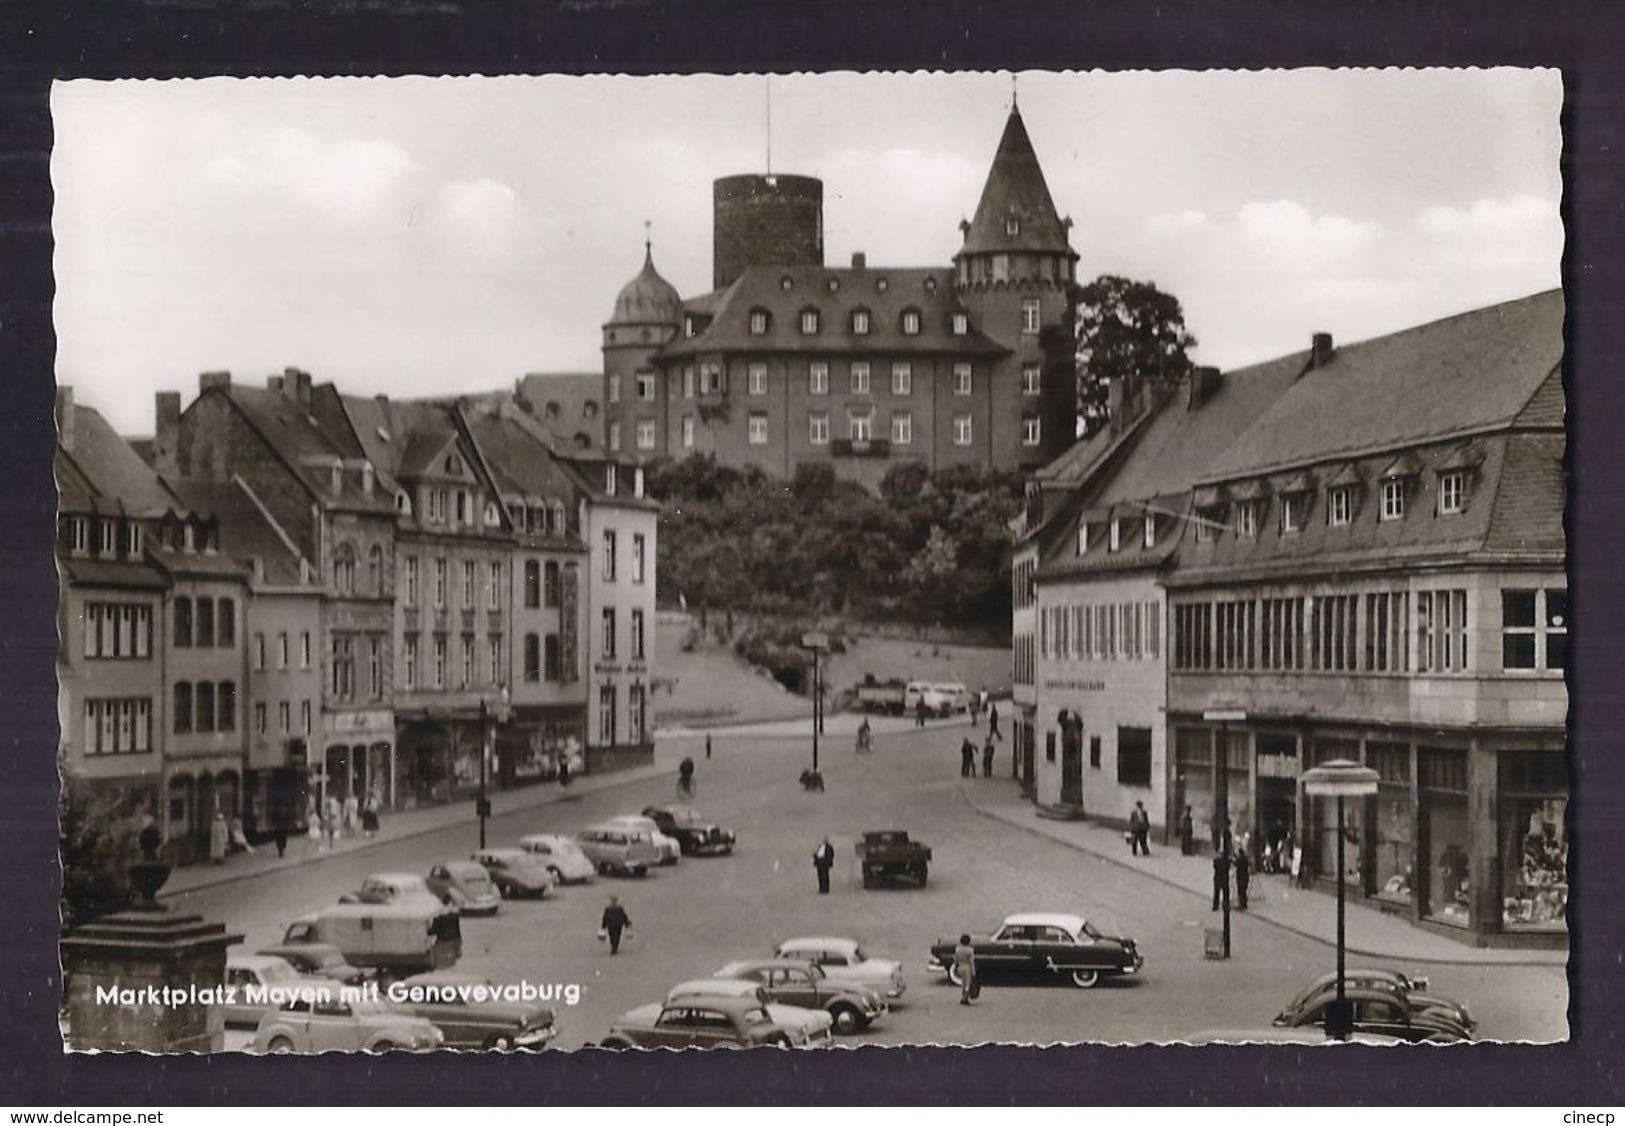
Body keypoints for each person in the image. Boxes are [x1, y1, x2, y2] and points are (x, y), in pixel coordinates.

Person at [953, 934, 977, 1005]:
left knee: (963, 983)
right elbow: (971, 961)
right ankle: (965, 999)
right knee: (968, 984)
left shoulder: (957, 949)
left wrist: (955, 967)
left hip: (960, 966)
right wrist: (974, 972)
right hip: (967, 967)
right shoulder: (970, 950)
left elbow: (955, 959)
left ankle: (962, 997)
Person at [1212, 847, 1231, 911]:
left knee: (1217, 894)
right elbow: (1228, 868)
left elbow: (1214, 866)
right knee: (1225, 894)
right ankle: (1226, 905)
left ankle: (1215, 906)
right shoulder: (1226, 862)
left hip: (1218, 879)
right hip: (1225, 880)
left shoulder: (1216, 861)